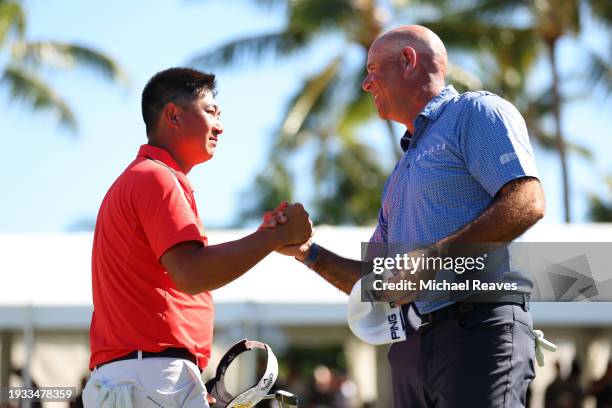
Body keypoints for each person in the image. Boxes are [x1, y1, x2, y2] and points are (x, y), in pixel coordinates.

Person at [273, 25, 545, 407]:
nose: (366, 84)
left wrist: (433, 258)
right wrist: (307, 252)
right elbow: (377, 282)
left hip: (476, 327)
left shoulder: (475, 111)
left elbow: (528, 199)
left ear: (408, 60)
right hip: (412, 345)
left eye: (372, 69)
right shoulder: (400, 175)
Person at [82, 67, 312, 408]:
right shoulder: (156, 178)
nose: (220, 125)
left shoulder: (144, 176)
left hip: (141, 376)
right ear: (173, 115)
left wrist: (266, 238)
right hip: (151, 377)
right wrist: (273, 238)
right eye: (211, 112)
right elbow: (192, 274)